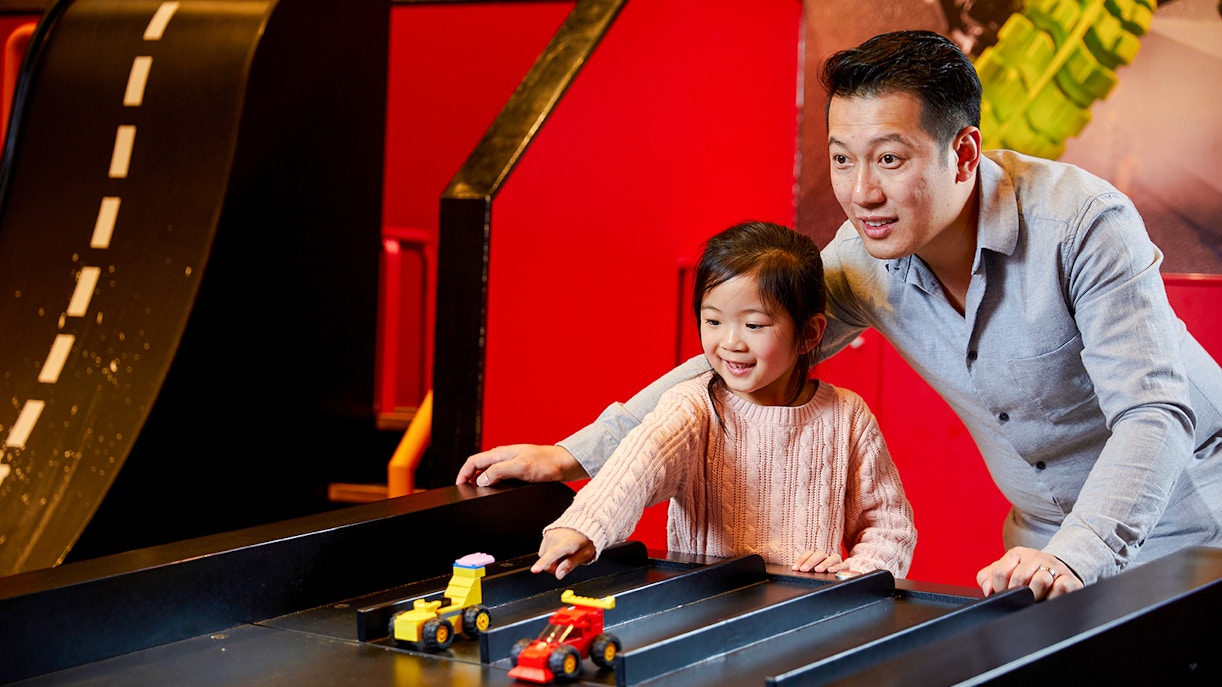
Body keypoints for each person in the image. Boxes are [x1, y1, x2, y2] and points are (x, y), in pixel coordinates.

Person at [459, 30, 1222, 601]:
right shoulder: (864, 257)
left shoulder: (1083, 223)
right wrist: (578, 452)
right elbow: (748, 353)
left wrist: (1078, 551)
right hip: (1042, 542)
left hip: (1193, 511)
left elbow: (1154, 415)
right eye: (842, 158)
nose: (860, 191)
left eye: (888, 158)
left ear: (964, 153)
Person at [530, 221, 916, 580]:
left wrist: (848, 579)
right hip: (704, 615)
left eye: (754, 325)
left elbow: (889, 526)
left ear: (810, 333)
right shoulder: (692, 406)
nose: (730, 342)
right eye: (713, 321)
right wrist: (582, 523)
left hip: (805, 623)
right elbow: (635, 468)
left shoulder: (848, 417)